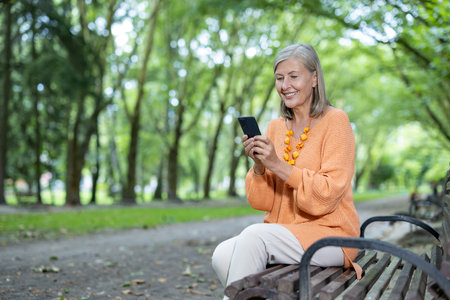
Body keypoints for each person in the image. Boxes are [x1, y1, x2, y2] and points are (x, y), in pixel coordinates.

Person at [211, 43, 361, 299]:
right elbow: (261, 202)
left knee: (255, 236)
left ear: (314, 78)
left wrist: (278, 165)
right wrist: (260, 165)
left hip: (331, 234)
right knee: (222, 255)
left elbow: (327, 195)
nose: (285, 85)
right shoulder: (276, 127)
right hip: (285, 234)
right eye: (280, 78)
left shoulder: (335, 121)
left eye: (294, 76)